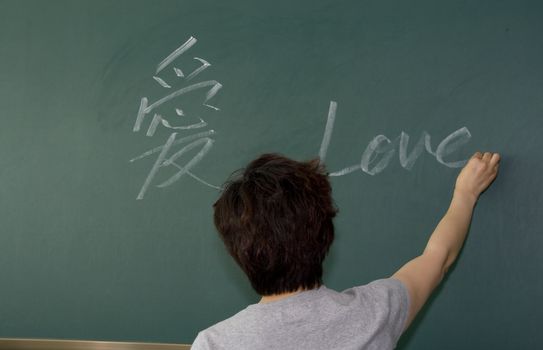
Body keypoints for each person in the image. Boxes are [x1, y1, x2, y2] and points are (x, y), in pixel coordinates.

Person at [192, 151, 500, 350]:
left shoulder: (215, 344)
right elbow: (438, 257)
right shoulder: (373, 314)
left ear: (238, 252)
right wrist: (465, 193)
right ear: (326, 233)